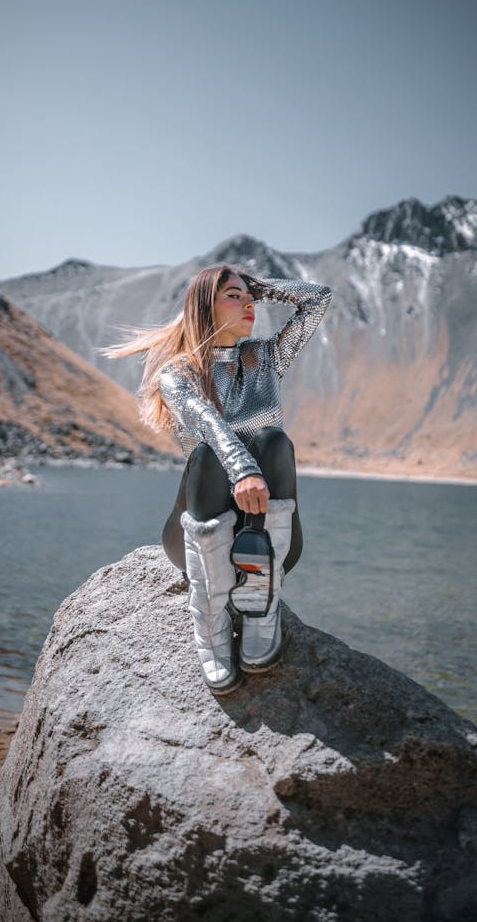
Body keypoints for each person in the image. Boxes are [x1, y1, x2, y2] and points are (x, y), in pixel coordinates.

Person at [106, 264, 331, 695]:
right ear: (204, 306)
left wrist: (264, 288)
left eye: (250, 297)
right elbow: (210, 424)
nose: (248, 304)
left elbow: (318, 298)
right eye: (233, 295)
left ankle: (262, 606)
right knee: (208, 455)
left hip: (267, 538)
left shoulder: (264, 358)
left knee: (275, 442)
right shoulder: (178, 374)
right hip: (195, 531)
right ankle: (210, 619)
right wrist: (245, 472)